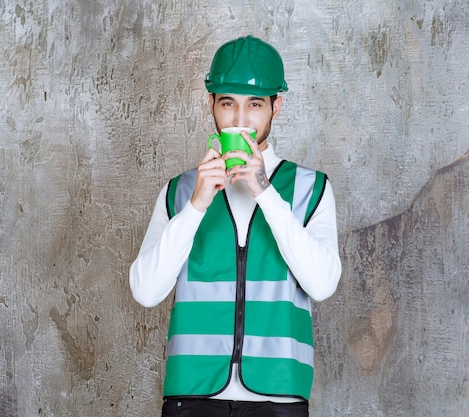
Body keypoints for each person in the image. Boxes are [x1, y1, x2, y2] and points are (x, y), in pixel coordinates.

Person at [129, 35, 341, 417]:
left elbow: (323, 285)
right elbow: (145, 291)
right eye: (228, 103)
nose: (241, 120)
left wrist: (265, 194)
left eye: (255, 104)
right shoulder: (179, 192)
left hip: (278, 399)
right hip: (192, 399)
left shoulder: (312, 189)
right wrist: (196, 206)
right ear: (211, 104)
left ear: (276, 107)